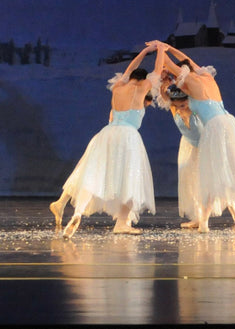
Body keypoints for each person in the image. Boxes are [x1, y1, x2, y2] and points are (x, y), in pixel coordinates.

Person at [151, 41, 235, 234]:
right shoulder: (205, 77)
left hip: (214, 128)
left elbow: (168, 66)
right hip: (230, 122)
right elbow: (186, 62)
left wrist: (160, 50)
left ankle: (204, 223)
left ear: (182, 72)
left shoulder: (190, 82)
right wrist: (169, 48)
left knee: (209, 174)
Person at [50, 46, 157, 236]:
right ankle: (122, 223)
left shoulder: (118, 87)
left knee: (92, 173)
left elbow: (128, 70)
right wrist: (162, 50)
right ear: (143, 79)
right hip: (127, 137)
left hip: (106, 134)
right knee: (129, 180)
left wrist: (144, 52)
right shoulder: (142, 88)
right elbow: (157, 71)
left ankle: (78, 212)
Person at [154, 68, 235, 229]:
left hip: (207, 147)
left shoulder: (197, 108)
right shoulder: (175, 108)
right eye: (177, 105)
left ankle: (230, 203)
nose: (180, 107)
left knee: (214, 177)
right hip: (189, 148)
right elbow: (165, 96)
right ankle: (199, 217)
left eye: (183, 104)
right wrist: (166, 83)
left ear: (189, 100)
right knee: (192, 183)